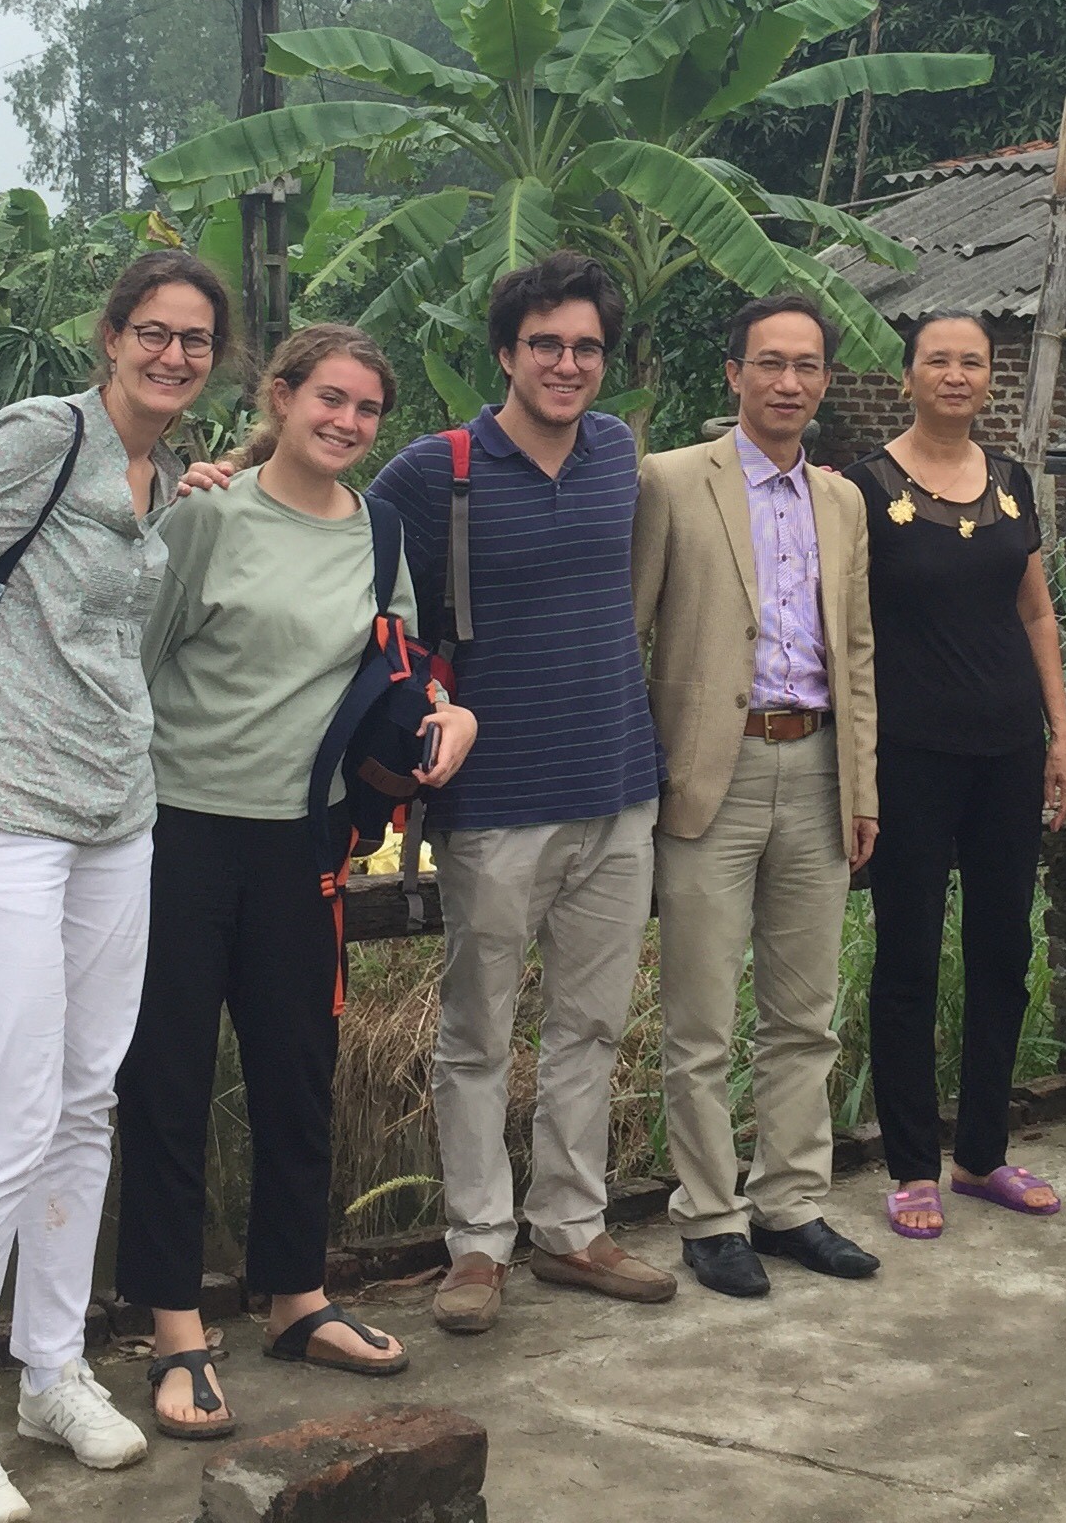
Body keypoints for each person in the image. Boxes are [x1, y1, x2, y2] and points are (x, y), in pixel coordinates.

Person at [0, 252, 223, 1523]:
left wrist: (192, 492)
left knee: (83, 1103)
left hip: (116, 816)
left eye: (197, 342)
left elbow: (107, 601)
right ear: (112, 336)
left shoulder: (166, 471)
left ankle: (53, 1370)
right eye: (155, 333)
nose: (175, 356)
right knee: (7, 1120)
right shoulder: (42, 435)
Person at [114, 324, 476, 1438]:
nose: (348, 423)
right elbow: (131, 661)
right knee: (168, 1079)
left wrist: (445, 716)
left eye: (368, 408)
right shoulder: (207, 518)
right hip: (181, 832)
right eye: (329, 399)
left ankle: (295, 1297)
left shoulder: (381, 531)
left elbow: (396, 665)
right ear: (280, 397)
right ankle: (174, 1327)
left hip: (304, 840)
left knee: (296, 1067)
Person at [367, 252, 678, 1336]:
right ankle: (477, 1246)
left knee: (591, 1024)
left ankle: (572, 1230)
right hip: (492, 800)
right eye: (544, 344)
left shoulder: (616, 454)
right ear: (505, 353)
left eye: (586, 346)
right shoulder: (429, 471)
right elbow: (341, 574)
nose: (566, 363)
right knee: (477, 1033)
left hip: (616, 784)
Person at [633, 290, 883, 1297]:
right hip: (711, 774)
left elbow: (855, 650)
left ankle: (790, 1202)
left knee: (803, 1012)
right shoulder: (669, 483)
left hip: (817, 769)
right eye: (769, 363)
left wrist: (863, 783)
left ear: (824, 381)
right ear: (734, 375)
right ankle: (709, 1214)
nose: (788, 383)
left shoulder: (842, 499)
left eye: (807, 366)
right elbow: (630, 633)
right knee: (699, 1015)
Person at [841, 313, 1066, 1240]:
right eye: (937, 359)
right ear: (908, 375)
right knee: (907, 956)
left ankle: (982, 1151)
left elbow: (1037, 618)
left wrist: (1060, 736)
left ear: (991, 379)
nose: (955, 375)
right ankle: (909, 1165)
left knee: (1001, 953)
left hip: (1007, 749)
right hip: (907, 753)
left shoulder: (1013, 482)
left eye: (972, 362)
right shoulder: (861, 489)